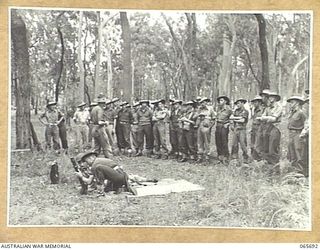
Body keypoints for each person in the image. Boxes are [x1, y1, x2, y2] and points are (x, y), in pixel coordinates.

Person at [256, 91, 282, 166]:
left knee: (273, 147)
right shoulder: (268, 108)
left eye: (272, 97)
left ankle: (275, 165)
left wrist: (264, 118)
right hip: (267, 128)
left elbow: (273, 119)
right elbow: (262, 117)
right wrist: (265, 118)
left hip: (275, 128)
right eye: (269, 97)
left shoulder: (278, 107)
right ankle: (268, 164)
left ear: (275, 98)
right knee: (265, 146)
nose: (270, 98)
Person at [286, 95, 307, 172]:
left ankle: (300, 171)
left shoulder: (301, 113)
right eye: (290, 102)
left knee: (298, 152)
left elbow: (306, 125)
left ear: (297, 103)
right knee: (291, 152)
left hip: (298, 134)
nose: (291, 104)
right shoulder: (292, 113)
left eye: (292, 102)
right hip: (291, 134)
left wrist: (303, 135)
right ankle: (293, 170)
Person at [195, 97, 216, 163]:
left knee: (207, 142)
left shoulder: (210, 109)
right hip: (199, 127)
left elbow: (214, 118)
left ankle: (207, 156)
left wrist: (210, 126)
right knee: (199, 142)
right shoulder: (199, 109)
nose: (203, 103)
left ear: (206, 102)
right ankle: (200, 156)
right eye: (201, 102)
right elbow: (195, 117)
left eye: (204, 102)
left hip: (206, 127)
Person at [230, 98, 249, 163]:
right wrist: (236, 119)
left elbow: (242, 120)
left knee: (243, 144)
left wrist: (234, 118)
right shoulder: (236, 111)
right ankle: (234, 158)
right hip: (236, 129)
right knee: (234, 144)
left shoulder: (245, 111)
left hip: (242, 129)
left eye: (239, 103)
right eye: (237, 103)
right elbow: (231, 118)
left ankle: (245, 158)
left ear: (243, 103)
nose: (238, 105)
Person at [215, 95, 232, 164]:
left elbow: (232, 118)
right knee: (218, 141)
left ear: (225, 101)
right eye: (219, 100)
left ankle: (226, 157)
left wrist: (228, 124)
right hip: (218, 125)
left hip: (224, 126)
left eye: (221, 100)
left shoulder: (229, 109)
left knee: (224, 141)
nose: (220, 102)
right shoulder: (218, 108)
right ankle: (220, 157)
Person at [250, 95, 264, 161]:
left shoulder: (263, 110)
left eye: (255, 102)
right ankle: (253, 158)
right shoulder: (255, 110)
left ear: (259, 102)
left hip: (259, 128)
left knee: (258, 144)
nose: (254, 104)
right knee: (252, 144)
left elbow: (263, 121)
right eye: (254, 102)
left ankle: (259, 159)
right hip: (254, 127)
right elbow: (253, 119)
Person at [300, 96, 309, 177]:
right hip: (307, 136)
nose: (309, 104)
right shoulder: (309, 113)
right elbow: (306, 125)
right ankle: (306, 173)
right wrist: (304, 133)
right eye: (308, 102)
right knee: (304, 155)